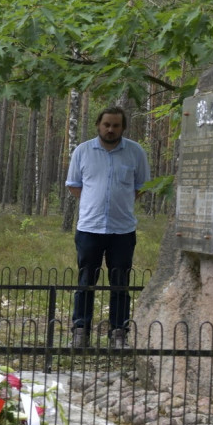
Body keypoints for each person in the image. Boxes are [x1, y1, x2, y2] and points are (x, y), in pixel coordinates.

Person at [66, 106, 150, 349]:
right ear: (98, 125)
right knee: (85, 281)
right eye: (106, 125)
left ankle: (118, 332)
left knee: (120, 282)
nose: (111, 129)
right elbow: (74, 185)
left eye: (116, 125)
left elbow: (141, 186)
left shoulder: (135, 152)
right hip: (89, 229)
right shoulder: (83, 151)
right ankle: (80, 331)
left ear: (123, 127)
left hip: (122, 230)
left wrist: (118, 204)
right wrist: (95, 203)